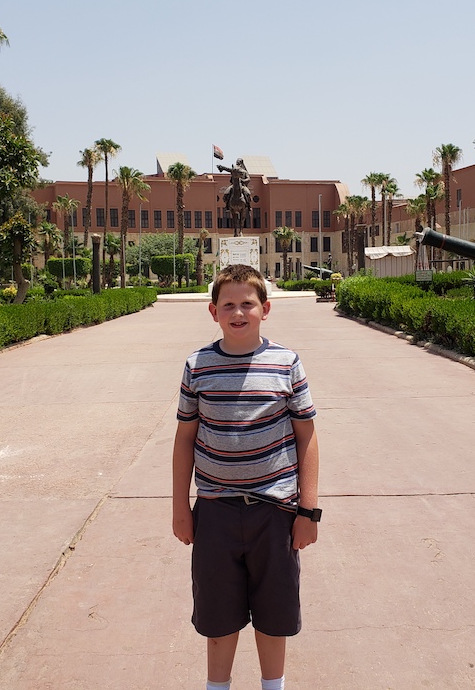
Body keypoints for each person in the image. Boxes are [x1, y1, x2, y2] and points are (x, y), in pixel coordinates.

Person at [172, 264, 322, 690]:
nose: (238, 313)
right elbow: (185, 439)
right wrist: (181, 508)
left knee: (274, 615)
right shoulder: (198, 366)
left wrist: (308, 511)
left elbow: (307, 437)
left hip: (275, 512)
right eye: (228, 305)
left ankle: (273, 684)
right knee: (218, 616)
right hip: (215, 512)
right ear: (213, 312)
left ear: (265, 309)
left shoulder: (286, 363)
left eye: (247, 304)